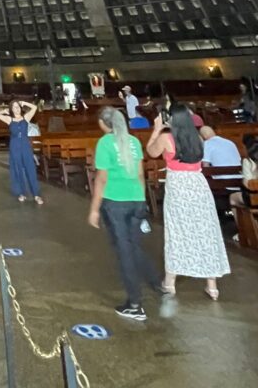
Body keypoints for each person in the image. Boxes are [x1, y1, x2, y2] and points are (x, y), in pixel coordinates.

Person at [146, 103, 230, 299]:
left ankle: (170, 282)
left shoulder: (167, 138)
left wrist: (156, 129)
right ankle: (212, 285)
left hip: (178, 186)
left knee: (177, 231)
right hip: (199, 185)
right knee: (205, 230)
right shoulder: (198, 138)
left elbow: (151, 152)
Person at [88, 106, 160, 321]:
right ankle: (158, 284)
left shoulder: (105, 143)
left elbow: (101, 179)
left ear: (103, 123)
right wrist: (142, 200)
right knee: (134, 246)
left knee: (124, 252)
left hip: (115, 201)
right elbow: (140, 174)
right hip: (135, 200)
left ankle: (135, 303)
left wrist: (94, 209)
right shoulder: (133, 141)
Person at [0, 100, 43, 204]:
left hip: (25, 144)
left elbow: (34, 108)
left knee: (30, 167)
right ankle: (21, 193)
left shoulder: (26, 118)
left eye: (18, 106)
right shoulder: (9, 119)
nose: (17, 109)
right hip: (14, 145)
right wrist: (4, 110)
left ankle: (36, 194)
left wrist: (24, 103)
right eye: (14, 107)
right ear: (11, 109)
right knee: (17, 168)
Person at [228, 134, 258, 210]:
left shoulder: (247, 161)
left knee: (232, 198)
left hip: (254, 197)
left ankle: (247, 219)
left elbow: (246, 183)